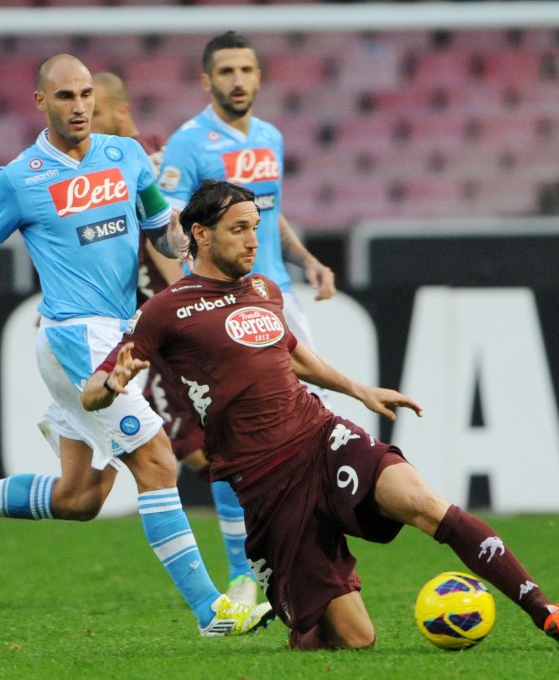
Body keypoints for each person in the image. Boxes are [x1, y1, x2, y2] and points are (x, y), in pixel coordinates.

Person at [81, 180, 559, 651]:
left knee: (422, 502)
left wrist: (358, 390)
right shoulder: (166, 310)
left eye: (255, 229)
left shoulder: (264, 289)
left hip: (321, 435)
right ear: (201, 234)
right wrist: (111, 382)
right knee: (355, 640)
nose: (252, 241)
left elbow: (292, 353)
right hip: (265, 480)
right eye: (238, 230)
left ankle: (547, 611)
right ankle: (303, 621)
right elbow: (91, 393)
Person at [0, 54, 274, 638]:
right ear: (41, 102)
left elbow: (161, 232)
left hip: (118, 336)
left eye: (86, 94)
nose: (80, 105)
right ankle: (211, 611)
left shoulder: (127, 157)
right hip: (72, 338)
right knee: (160, 463)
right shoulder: (20, 177)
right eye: (65, 96)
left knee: (78, 498)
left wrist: (196, 265)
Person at [156, 31, 339, 605]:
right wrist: (189, 297)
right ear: (206, 80)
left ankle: (311, 558)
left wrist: (306, 259)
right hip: (224, 307)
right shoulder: (187, 145)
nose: (238, 79)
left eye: (247, 69)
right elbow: (168, 232)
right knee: (236, 438)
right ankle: (246, 572)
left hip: (277, 295)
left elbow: (267, 213)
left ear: (260, 77)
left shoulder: (271, 138)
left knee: (309, 430)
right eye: (227, 70)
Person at [91, 70, 257, 605]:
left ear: (117, 111)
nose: (84, 126)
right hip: (145, 326)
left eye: (93, 113)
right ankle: (252, 564)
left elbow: (175, 244)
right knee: (196, 453)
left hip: (167, 323)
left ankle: (246, 571)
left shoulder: (141, 165)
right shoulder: (114, 162)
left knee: (207, 450)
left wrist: (190, 301)